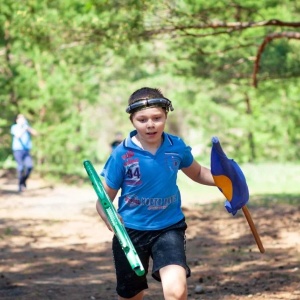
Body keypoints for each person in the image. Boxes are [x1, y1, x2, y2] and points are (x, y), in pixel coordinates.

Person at [96, 87, 216, 300]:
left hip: (169, 228)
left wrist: (224, 181)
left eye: (156, 118)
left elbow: (198, 173)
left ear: (166, 116)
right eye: (142, 119)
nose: (150, 124)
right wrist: (110, 219)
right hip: (130, 233)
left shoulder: (175, 147)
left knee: (177, 292)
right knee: (133, 295)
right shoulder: (122, 154)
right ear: (132, 120)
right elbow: (103, 200)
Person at [10, 114, 38, 192]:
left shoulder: (27, 127)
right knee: (21, 167)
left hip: (26, 150)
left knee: (29, 167)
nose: (23, 121)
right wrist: (23, 129)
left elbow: (35, 133)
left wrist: (28, 128)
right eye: (21, 119)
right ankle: (20, 185)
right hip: (17, 150)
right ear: (17, 120)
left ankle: (23, 181)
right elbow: (18, 136)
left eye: (23, 119)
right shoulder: (14, 127)